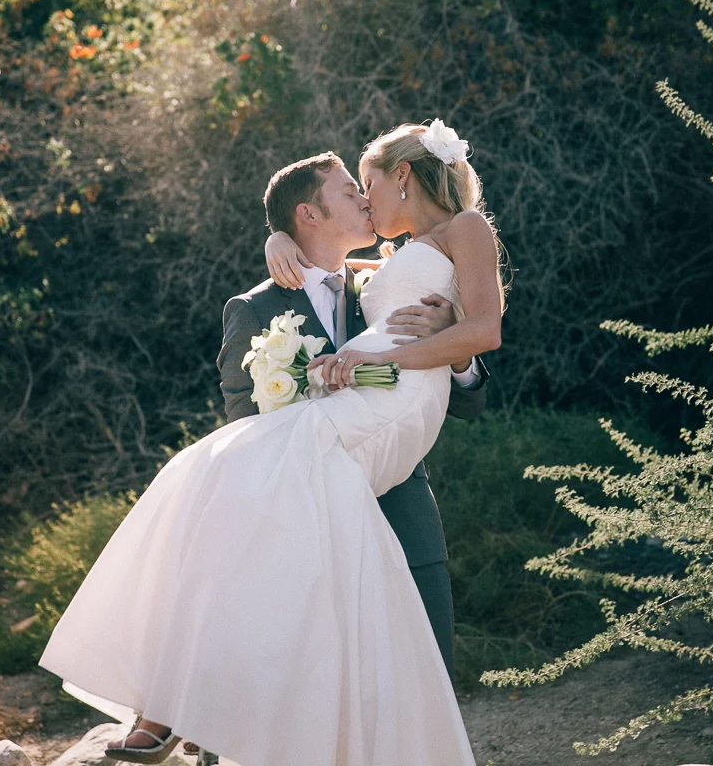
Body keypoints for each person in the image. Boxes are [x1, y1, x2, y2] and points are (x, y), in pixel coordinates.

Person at [38, 120, 504, 766]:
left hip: (398, 484)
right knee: (221, 474)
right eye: (352, 194)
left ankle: (177, 699)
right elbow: (279, 398)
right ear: (312, 214)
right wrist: (280, 238)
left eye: (366, 187)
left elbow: (472, 350)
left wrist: (441, 335)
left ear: (403, 176)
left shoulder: (446, 240)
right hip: (334, 471)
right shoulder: (277, 300)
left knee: (419, 687)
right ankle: (184, 694)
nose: (365, 204)